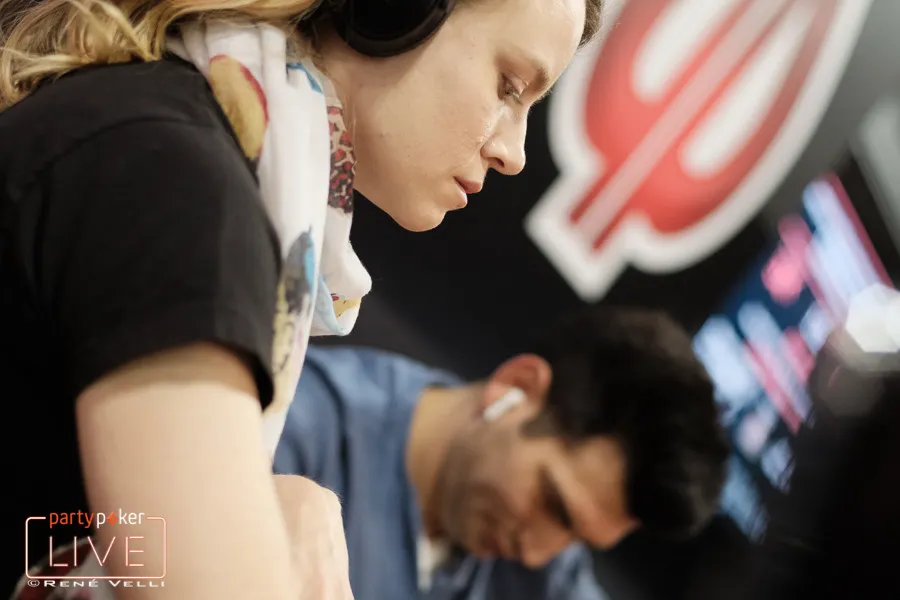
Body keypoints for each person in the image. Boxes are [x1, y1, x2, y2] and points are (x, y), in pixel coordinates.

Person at [0, 0, 604, 597]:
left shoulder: (179, 148)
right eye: (508, 87)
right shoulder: (181, 190)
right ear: (401, 12)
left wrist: (275, 503)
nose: (514, 153)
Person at [274, 306, 730, 600]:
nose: (535, 553)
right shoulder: (288, 430)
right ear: (517, 387)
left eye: (576, 539)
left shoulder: (545, 573)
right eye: (552, 504)